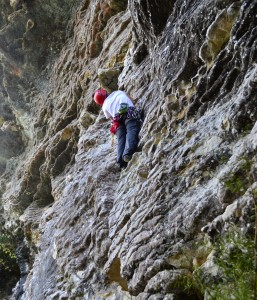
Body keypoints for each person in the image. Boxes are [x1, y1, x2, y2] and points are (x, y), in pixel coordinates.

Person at [93, 89, 142, 168]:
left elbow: (111, 118)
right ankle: (128, 153)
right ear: (106, 93)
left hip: (117, 119)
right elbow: (131, 100)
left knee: (121, 139)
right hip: (128, 112)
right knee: (131, 129)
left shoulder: (105, 106)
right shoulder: (118, 92)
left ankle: (120, 161)